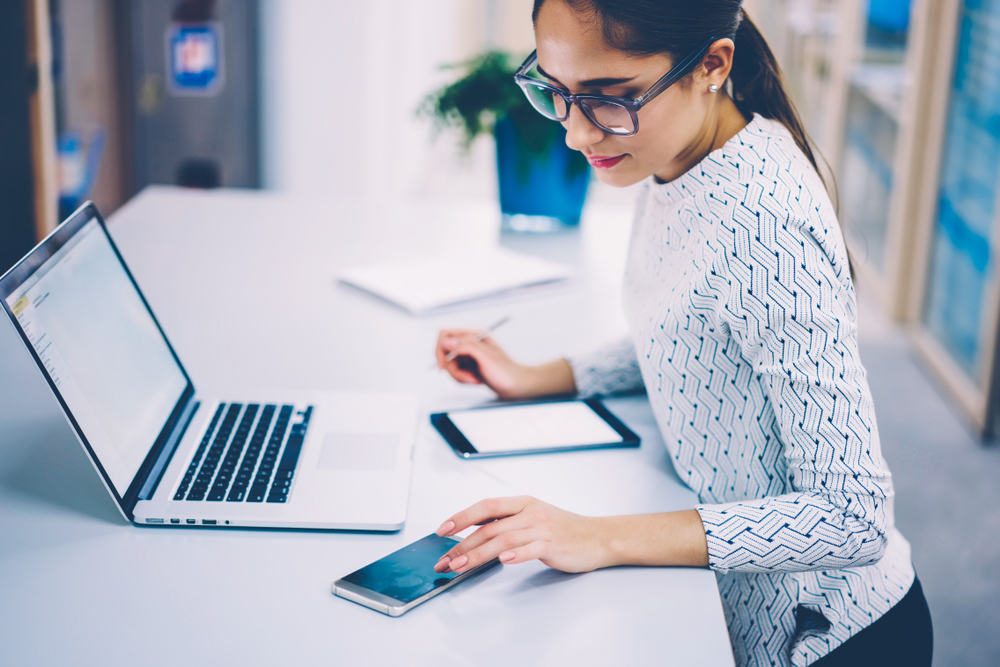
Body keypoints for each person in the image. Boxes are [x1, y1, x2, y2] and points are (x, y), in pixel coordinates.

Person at [431, 1, 933, 666]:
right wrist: (539, 376)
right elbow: (684, 327)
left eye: (609, 98)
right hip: (727, 604)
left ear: (712, 66)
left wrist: (601, 537)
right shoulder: (670, 150)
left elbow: (853, 515)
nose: (577, 134)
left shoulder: (768, 228)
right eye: (557, 91)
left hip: (827, 636)